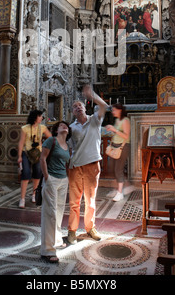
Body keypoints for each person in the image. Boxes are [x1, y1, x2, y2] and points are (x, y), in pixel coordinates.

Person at [67, 84, 107, 244]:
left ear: (85, 108)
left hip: (92, 165)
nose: (78, 108)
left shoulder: (95, 120)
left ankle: (90, 228)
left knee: (90, 200)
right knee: (74, 201)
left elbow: (104, 106)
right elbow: (69, 148)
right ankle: (72, 230)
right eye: (75, 107)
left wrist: (92, 95)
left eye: (80, 105)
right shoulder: (71, 127)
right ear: (73, 112)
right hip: (75, 166)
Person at [40, 121, 71, 263]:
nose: (64, 126)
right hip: (51, 178)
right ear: (56, 130)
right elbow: (43, 159)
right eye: (61, 125)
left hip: (63, 180)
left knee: (59, 211)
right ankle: (47, 250)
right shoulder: (51, 140)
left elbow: (65, 163)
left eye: (66, 126)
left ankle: (57, 239)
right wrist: (47, 177)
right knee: (50, 213)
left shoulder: (67, 146)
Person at [17, 110, 51, 208]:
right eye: (40, 116)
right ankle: (22, 198)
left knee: (37, 173)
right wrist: (19, 156)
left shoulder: (43, 128)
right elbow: (21, 142)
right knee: (26, 173)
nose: (42, 118)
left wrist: (42, 145)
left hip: (38, 153)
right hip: (26, 152)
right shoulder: (25, 128)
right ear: (35, 117)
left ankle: (34, 194)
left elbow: (50, 138)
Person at [105, 103, 131, 201]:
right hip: (115, 146)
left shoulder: (125, 120)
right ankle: (120, 188)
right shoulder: (117, 120)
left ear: (120, 110)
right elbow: (117, 132)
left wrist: (114, 130)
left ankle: (120, 192)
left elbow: (126, 136)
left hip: (122, 147)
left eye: (114, 110)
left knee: (118, 169)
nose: (112, 112)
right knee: (111, 168)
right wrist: (111, 129)